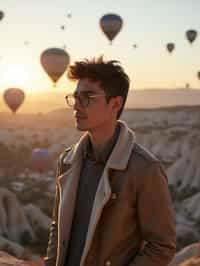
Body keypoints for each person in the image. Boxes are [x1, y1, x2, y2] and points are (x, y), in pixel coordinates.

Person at [44, 56, 176, 266]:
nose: (76, 106)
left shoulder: (144, 169)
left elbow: (161, 245)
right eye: (75, 97)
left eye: (87, 98)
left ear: (115, 103)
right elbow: (57, 227)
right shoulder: (68, 160)